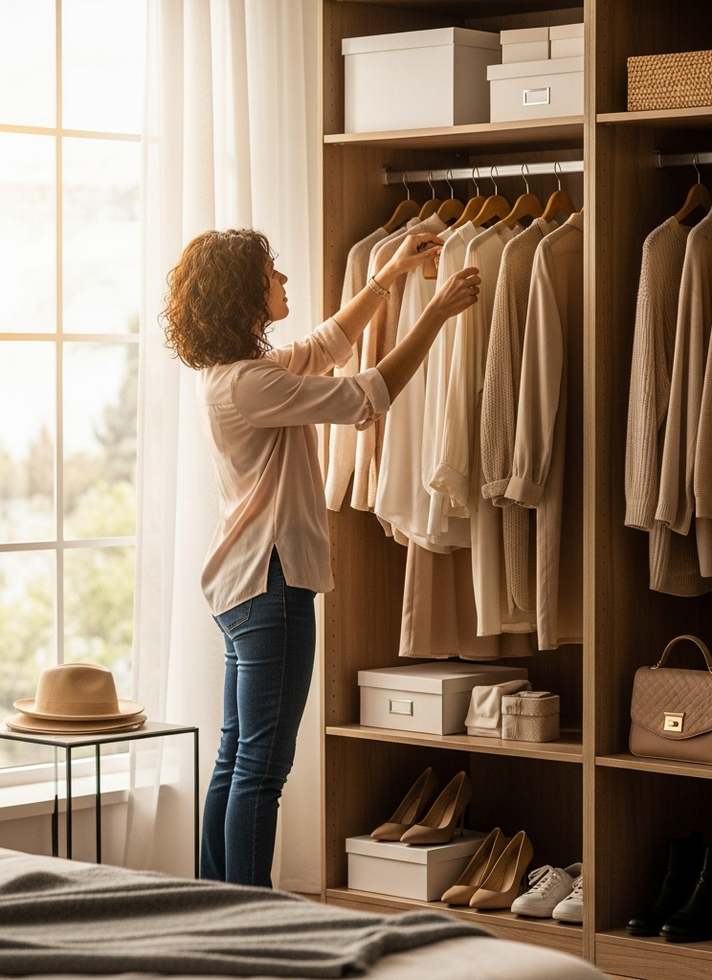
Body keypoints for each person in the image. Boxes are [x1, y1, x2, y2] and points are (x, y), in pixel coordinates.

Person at [160, 227, 479, 887]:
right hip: (270, 586)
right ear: (244, 295)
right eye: (272, 275)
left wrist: (387, 276)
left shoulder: (233, 377)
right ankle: (251, 918)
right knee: (262, 769)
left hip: (241, 585)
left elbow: (326, 344)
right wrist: (436, 314)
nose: (284, 282)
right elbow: (368, 393)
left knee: (235, 760)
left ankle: (216, 908)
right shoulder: (251, 385)